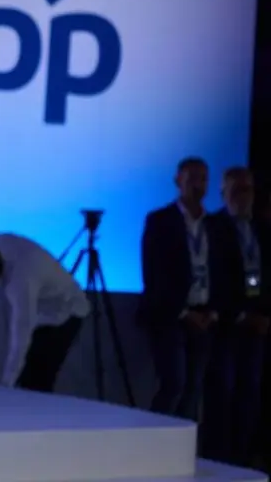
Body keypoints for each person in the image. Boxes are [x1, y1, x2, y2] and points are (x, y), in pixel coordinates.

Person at [138, 157, 239, 425]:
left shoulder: (216, 224)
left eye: (203, 178)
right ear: (178, 180)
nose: (198, 184)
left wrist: (214, 311)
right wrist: (182, 312)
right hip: (170, 317)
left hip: (205, 315)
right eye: (192, 177)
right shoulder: (160, 220)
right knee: (174, 383)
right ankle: (151, 444)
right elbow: (154, 274)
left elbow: (224, 272)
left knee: (193, 391)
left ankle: (181, 453)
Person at [0, 233, 90, 392]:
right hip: (42, 313)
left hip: (66, 314)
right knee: (26, 379)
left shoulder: (20, 281)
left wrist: (6, 385)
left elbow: (20, 335)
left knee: (36, 384)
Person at [204, 166, 268, 466]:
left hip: (257, 325)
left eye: (248, 189)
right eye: (237, 189)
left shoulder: (261, 228)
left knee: (250, 393)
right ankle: (218, 459)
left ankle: (242, 458)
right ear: (223, 193)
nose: (244, 195)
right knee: (223, 392)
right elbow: (212, 277)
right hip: (225, 324)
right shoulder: (212, 226)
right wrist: (240, 314)